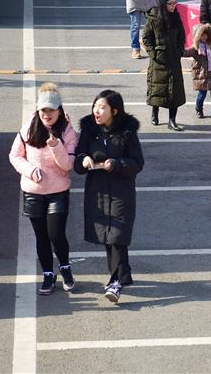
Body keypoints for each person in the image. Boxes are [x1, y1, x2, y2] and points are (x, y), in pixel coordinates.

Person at [8, 83, 79, 296]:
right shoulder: (28, 129)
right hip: (33, 193)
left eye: (51, 110)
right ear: (38, 111)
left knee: (56, 234)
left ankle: (65, 268)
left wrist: (56, 146)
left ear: (59, 110)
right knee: (41, 236)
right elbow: (14, 156)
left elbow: (68, 165)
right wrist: (30, 170)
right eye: (43, 110)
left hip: (58, 192)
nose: (47, 115)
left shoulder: (67, 132)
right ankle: (48, 273)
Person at [74, 90, 144, 303]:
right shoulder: (89, 130)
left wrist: (116, 164)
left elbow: (137, 163)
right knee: (107, 236)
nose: (97, 111)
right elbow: (77, 160)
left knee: (118, 236)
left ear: (114, 110)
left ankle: (116, 282)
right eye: (95, 106)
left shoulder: (127, 132)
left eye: (102, 107)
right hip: (97, 192)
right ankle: (122, 274)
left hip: (121, 192)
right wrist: (84, 159)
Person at [142, 0, 187, 131]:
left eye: (175, 3)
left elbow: (182, 36)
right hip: (159, 61)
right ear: (163, 3)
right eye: (171, 3)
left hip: (173, 58)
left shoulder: (176, 17)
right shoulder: (153, 18)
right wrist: (153, 54)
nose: (174, 6)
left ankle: (172, 120)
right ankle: (154, 111)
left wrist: (179, 50)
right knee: (158, 89)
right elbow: (146, 39)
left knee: (175, 91)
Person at [182, 23, 211, 124]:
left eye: (206, 35)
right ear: (197, 36)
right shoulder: (195, 49)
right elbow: (185, 53)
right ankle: (198, 109)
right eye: (202, 35)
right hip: (202, 77)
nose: (204, 37)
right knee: (201, 96)